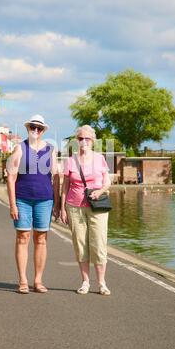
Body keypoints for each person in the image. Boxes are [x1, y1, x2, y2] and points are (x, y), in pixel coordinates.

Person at [6, 114, 60, 294]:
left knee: (41, 239)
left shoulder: (51, 150)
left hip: (45, 200)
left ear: (43, 130)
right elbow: (11, 178)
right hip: (22, 199)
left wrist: (57, 203)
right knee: (23, 238)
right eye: (32, 127)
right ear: (28, 128)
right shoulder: (20, 148)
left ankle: (38, 280)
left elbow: (56, 178)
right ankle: (23, 280)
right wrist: (12, 204)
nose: (35, 130)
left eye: (39, 128)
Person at [61, 125, 111, 295]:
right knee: (80, 245)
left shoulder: (100, 158)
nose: (83, 142)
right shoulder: (70, 161)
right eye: (80, 138)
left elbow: (107, 182)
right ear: (77, 140)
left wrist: (101, 191)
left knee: (99, 244)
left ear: (93, 141)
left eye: (87, 139)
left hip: (98, 207)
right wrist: (62, 208)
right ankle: (85, 282)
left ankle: (102, 283)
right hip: (74, 207)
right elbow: (65, 186)